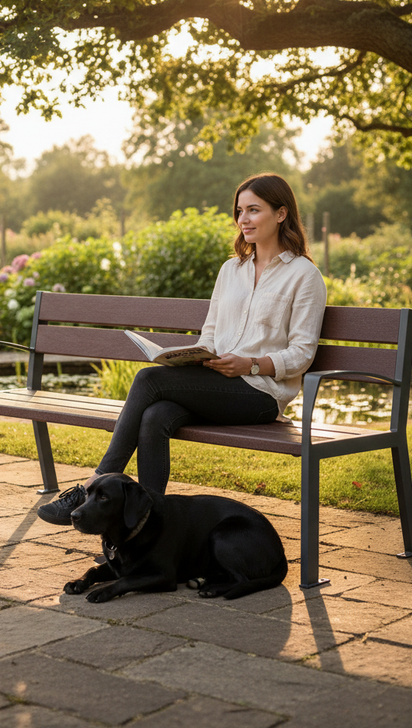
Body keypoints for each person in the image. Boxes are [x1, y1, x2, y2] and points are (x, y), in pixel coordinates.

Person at [37, 172, 327, 525]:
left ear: (281, 214)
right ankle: (150, 525)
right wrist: (196, 355)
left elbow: (302, 353)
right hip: (217, 383)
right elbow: (211, 332)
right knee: (155, 415)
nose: (243, 220)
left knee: (148, 381)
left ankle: (92, 485)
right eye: (239, 211)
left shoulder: (303, 275)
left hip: (260, 395)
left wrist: (250, 364)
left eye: (254, 210)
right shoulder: (231, 270)